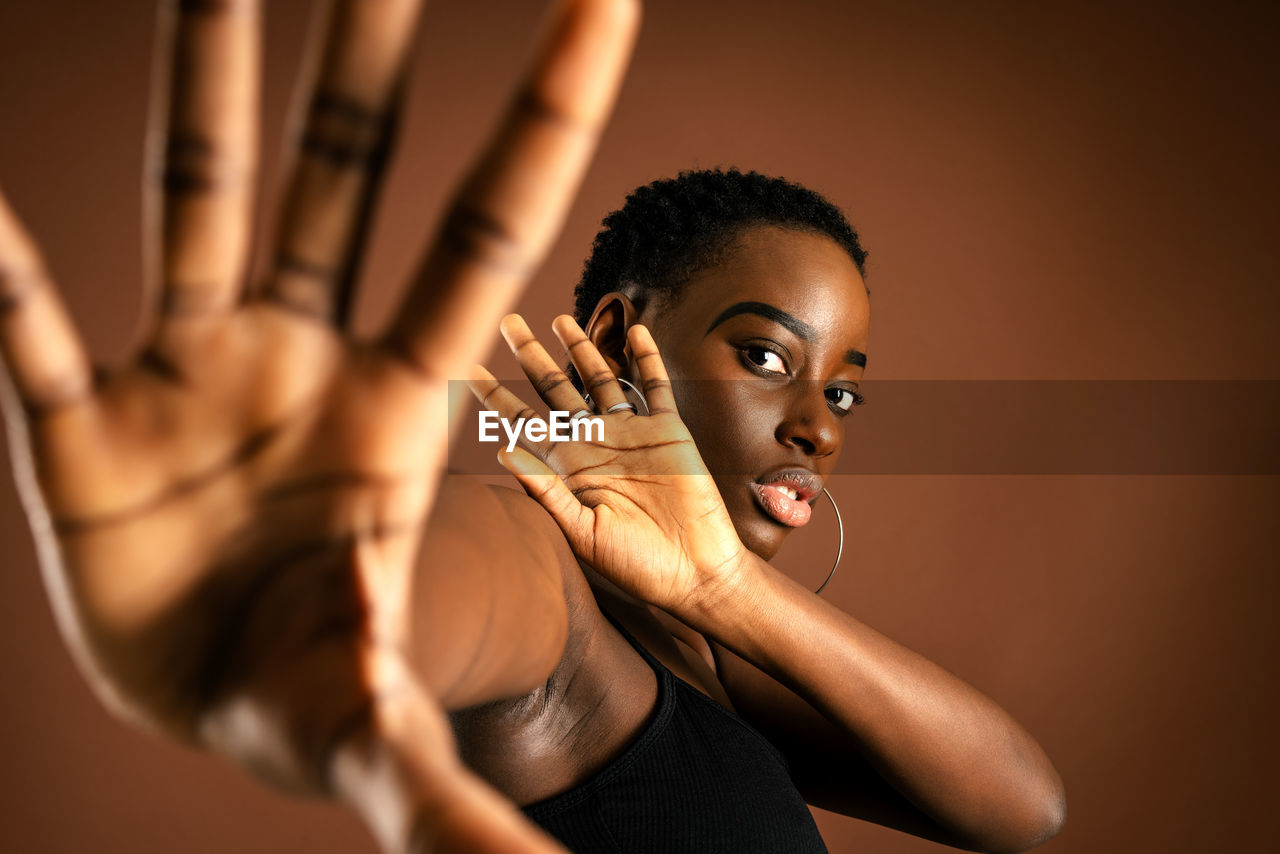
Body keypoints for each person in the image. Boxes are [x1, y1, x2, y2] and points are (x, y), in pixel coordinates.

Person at [0, 1, 1064, 852]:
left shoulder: (698, 642)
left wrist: (722, 590)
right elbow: (455, 593)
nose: (815, 428)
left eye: (840, 392)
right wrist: (325, 604)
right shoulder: (532, 563)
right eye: (765, 356)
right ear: (616, 332)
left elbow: (1019, 806)